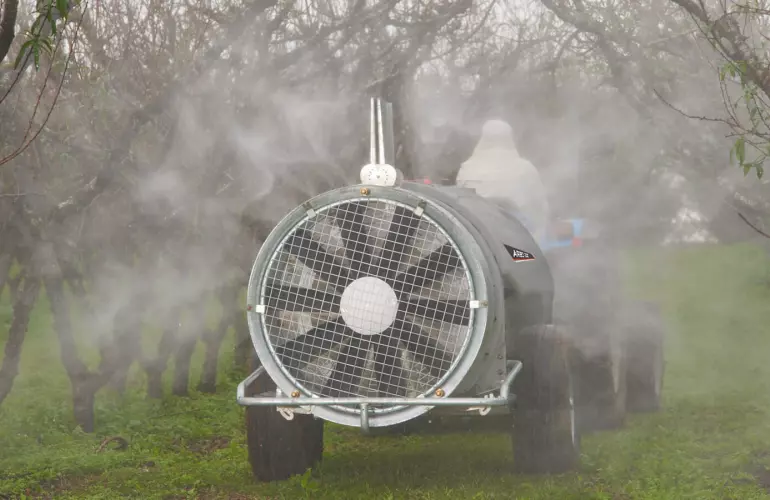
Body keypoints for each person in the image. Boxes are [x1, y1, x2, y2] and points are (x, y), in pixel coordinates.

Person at [456, 119, 550, 242]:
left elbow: (460, 206)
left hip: (480, 241)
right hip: (520, 240)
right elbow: (541, 207)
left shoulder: (467, 169)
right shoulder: (526, 169)